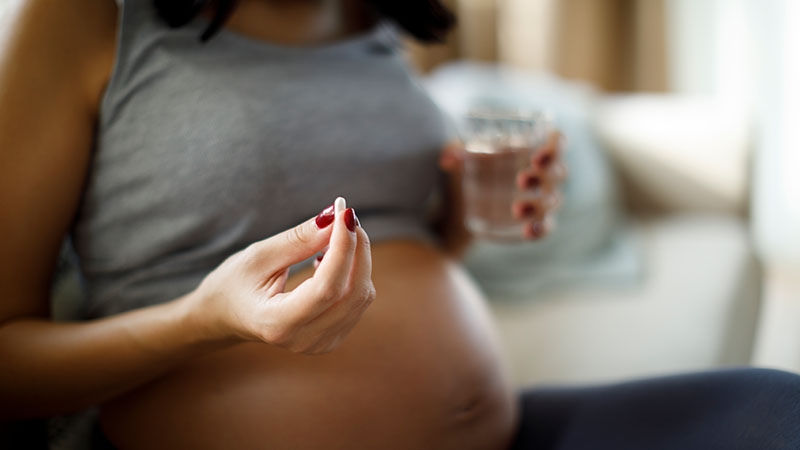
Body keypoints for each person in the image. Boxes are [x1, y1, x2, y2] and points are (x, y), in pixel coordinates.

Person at [0, 0, 797, 449]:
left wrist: (465, 221)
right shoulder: (85, 20)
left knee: (774, 412)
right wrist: (205, 322)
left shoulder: (375, 23)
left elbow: (398, 243)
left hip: (497, 436)